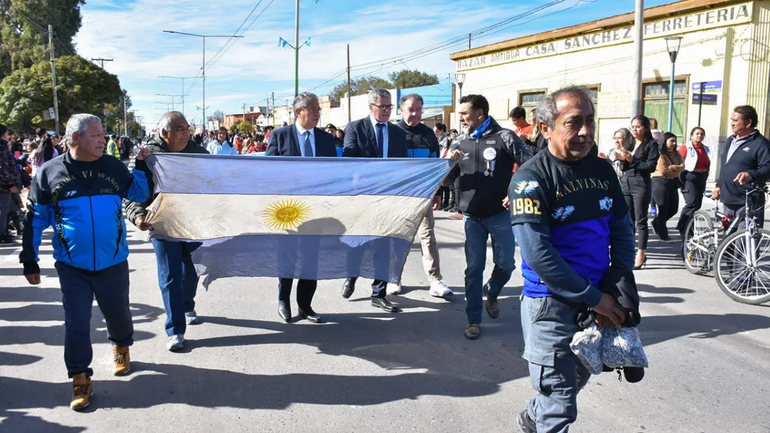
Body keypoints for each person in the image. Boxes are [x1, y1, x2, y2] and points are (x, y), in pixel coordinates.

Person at [509, 85, 634, 433]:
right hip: (550, 306)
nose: (585, 132)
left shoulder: (603, 170)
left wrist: (618, 281)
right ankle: (543, 417)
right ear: (546, 128)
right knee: (561, 404)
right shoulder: (529, 180)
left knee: (573, 380)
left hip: (598, 300)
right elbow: (539, 256)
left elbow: (622, 230)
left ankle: (533, 418)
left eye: (590, 121)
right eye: (573, 122)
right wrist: (597, 300)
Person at [19, 113, 151, 411]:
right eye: (96, 135)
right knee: (76, 323)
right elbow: (36, 220)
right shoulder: (50, 172)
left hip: (113, 261)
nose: (103, 139)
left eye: (103, 134)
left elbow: (138, 193)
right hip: (72, 267)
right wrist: (30, 259)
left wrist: (141, 166)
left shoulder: (113, 166)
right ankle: (80, 377)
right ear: (75, 138)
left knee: (118, 314)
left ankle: (121, 346)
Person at [446, 94, 532, 340]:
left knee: (506, 265)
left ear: (480, 114)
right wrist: (448, 166)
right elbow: (447, 179)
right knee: (473, 268)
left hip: (500, 215)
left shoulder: (505, 137)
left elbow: (530, 167)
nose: (460, 117)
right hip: (471, 216)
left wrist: (515, 192)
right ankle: (474, 319)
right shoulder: (458, 142)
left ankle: (492, 290)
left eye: (464, 113)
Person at [125, 111, 209, 351]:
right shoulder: (146, 156)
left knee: (190, 270)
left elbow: (215, 181)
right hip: (162, 224)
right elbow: (133, 189)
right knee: (170, 276)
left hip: (193, 223)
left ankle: (186, 305)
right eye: (179, 129)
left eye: (187, 128)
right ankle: (175, 330)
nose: (186, 133)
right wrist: (138, 215)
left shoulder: (200, 155)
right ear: (165, 133)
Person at [265, 92, 337, 323]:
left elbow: (333, 174)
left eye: (318, 109)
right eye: (313, 109)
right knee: (287, 256)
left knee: (310, 258)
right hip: (287, 209)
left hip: (315, 210)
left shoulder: (326, 139)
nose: (318, 113)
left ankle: (305, 305)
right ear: (299, 112)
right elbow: (269, 173)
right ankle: (283, 300)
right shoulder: (280, 136)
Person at [341, 88, 407, 313]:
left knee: (383, 247)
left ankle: (379, 293)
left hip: (387, 199)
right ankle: (351, 275)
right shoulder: (355, 128)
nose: (387, 111)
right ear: (371, 107)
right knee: (358, 243)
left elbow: (403, 167)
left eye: (390, 107)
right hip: (362, 197)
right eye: (383, 106)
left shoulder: (398, 133)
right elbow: (349, 160)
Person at [396, 93, 453, 298]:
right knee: (399, 237)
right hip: (399, 196)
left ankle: (435, 280)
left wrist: (436, 192)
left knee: (427, 236)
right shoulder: (393, 133)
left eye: (419, 109)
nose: (415, 113)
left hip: (423, 194)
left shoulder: (428, 134)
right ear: (401, 110)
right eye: (411, 109)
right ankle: (395, 277)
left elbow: (435, 167)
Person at [712, 105, 770, 227]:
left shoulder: (761, 144)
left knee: (745, 242)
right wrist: (719, 185)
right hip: (728, 199)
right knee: (728, 242)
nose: (732, 124)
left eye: (736, 120)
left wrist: (750, 175)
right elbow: (725, 166)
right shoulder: (730, 140)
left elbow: (767, 168)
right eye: (731, 120)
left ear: (748, 122)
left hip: (749, 201)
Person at [617, 115, 659, 269]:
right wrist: (621, 159)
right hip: (626, 182)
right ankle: (630, 251)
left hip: (641, 184)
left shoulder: (651, 145)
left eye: (638, 126)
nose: (634, 129)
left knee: (641, 221)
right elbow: (624, 167)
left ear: (646, 128)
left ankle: (641, 254)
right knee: (628, 220)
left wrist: (632, 160)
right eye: (632, 126)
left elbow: (650, 166)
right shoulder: (630, 143)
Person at [676, 127, 710, 236]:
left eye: (701, 134)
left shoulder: (706, 148)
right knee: (691, 203)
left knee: (697, 204)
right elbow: (678, 161)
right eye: (697, 134)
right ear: (691, 136)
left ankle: (685, 226)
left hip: (702, 176)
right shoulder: (686, 147)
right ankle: (685, 228)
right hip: (689, 176)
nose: (699, 136)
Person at [651, 132, 684, 242]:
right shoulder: (660, 154)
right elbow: (662, 170)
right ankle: (663, 235)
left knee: (673, 209)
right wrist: (675, 169)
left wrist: (673, 168)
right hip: (659, 182)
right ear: (664, 141)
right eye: (671, 141)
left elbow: (683, 166)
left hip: (672, 182)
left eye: (675, 141)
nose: (674, 143)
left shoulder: (676, 154)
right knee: (663, 209)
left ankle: (656, 222)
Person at [0, 124, 21, 244]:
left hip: (4, 184)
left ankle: (5, 231)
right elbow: (2, 168)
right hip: (4, 186)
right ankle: (2, 234)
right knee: (4, 210)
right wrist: (10, 184)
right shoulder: (2, 148)